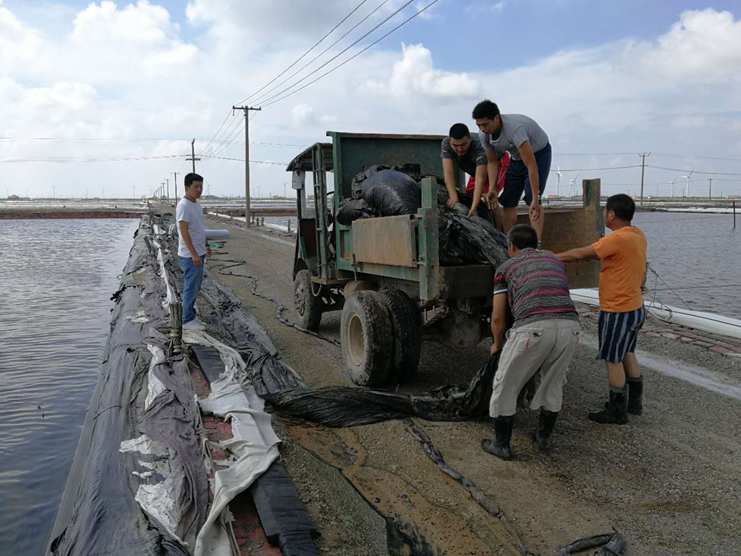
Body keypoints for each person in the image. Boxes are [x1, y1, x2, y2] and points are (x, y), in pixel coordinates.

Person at [482, 224, 580, 460]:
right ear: (536, 245)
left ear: (511, 247)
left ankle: (501, 445)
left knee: (505, 383)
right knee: (554, 382)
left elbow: (498, 318)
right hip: (570, 328)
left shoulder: (505, 267)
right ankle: (543, 437)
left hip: (532, 328)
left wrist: (497, 344)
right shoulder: (555, 261)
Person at [555, 194, 647, 425]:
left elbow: (580, 254)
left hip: (617, 309)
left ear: (612, 214)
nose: (603, 214)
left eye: (605, 211)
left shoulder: (615, 239)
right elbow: (617, 259)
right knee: (627, 352)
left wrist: (552, 257)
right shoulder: (637, 235)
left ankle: (617, 412)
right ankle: (634, 404)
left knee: (612, 357)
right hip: (635, 306)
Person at [473, 100, 551, 242]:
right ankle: (510, 244)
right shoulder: (484, 135)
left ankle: (537, 245)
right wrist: (492, 189)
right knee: (507, 200)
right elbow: (492, 161)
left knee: (532, 199)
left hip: (538, 154)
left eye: (485, 124)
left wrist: (535, 198)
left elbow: (531, 166)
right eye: (479, 125)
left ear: (496, 118)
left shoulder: (514, 130)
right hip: (516, 158)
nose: (482, 129)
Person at [441, 123, 509, 224]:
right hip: (476, 168)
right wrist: (453, 197)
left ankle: (499, 230)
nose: (459, 149)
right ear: (450, 141)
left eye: (463, 145)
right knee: (468, 195)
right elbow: (448, 173)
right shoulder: (446, 144)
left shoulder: (480, 146)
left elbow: (480, 180)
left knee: (488, 197)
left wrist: (474, 208)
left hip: (496, 163)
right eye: (455, 145)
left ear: (470, 139)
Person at [177, 172, 211, 331]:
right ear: (187, 187)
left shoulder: (196, 204)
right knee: (190, 287)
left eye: (201, 187)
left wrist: (206, 244)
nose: (199, 190)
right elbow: (184, 232)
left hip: (199, 251)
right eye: (196, 187)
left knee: (196, 286)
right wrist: (194, 254)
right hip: (190, 255)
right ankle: (187, 321)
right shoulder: (184, 206)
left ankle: (191, 315)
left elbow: (200, 227)